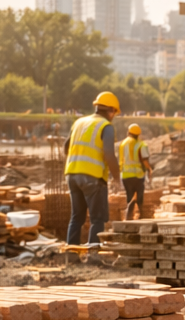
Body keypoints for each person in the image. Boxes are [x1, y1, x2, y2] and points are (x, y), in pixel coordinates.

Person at [64, 91, 123, 254]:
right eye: (114, 113)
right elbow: (109, 154)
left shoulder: (79, 122)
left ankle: (71, 255)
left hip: (72, 174)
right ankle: (93, 256)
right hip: (93, 177)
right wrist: (117, 178)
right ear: (110, 111)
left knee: (77, 217)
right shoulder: (106, 126)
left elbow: (65, 147)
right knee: (97, 219)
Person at [118, 123, 152, 219]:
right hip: (138, 174)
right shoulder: (141, 144)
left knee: (129, 193)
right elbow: (145, 160)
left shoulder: (122, 144)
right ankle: (141, 213)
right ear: (138, 134)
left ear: (128, 132)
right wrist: (149, 169)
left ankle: (129, 214)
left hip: (125, 174)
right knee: (139, 192)